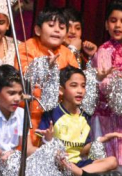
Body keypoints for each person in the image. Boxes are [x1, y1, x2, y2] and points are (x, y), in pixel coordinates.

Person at [38, 66, 122, 176]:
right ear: (61, 90)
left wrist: (100, 141)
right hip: (58, 163)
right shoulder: (52, 113)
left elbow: (82, 150)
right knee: (59, 158)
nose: (80, 90)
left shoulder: (85, 116)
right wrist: (47, 140)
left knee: (112, 161)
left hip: (77, 164)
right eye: (74, 86)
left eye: (83, 86)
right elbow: (42, 148)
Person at [90, 0, 122, 176]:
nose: (117, 25)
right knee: (104, 160)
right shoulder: (104, 51)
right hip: (105, 114)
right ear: (106, 24)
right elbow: (104, 83)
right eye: (113, 20)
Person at [17, 7, 78, 143]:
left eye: (61, 28)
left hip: (58, 116)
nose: (57, 30)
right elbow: (25, 78)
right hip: (30, 114)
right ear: (38, 30)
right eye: (51, 25)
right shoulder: (26, 48)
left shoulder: (67, 54)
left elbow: (74, 81)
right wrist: (46, 67)